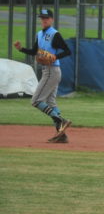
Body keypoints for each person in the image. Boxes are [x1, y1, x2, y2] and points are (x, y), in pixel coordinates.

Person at [14, 8, 73, 143]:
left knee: (36, 100)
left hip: (52, 70)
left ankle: (61, 120)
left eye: (46, 18)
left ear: (52, 19)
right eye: (42, 18)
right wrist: (21, 49)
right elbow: (34, 51)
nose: (44, 20)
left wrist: (55, 56)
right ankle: (61, 135)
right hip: (49, 71)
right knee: (51, 103)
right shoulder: (39, 34)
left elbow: (67, 51)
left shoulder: (55, 34)